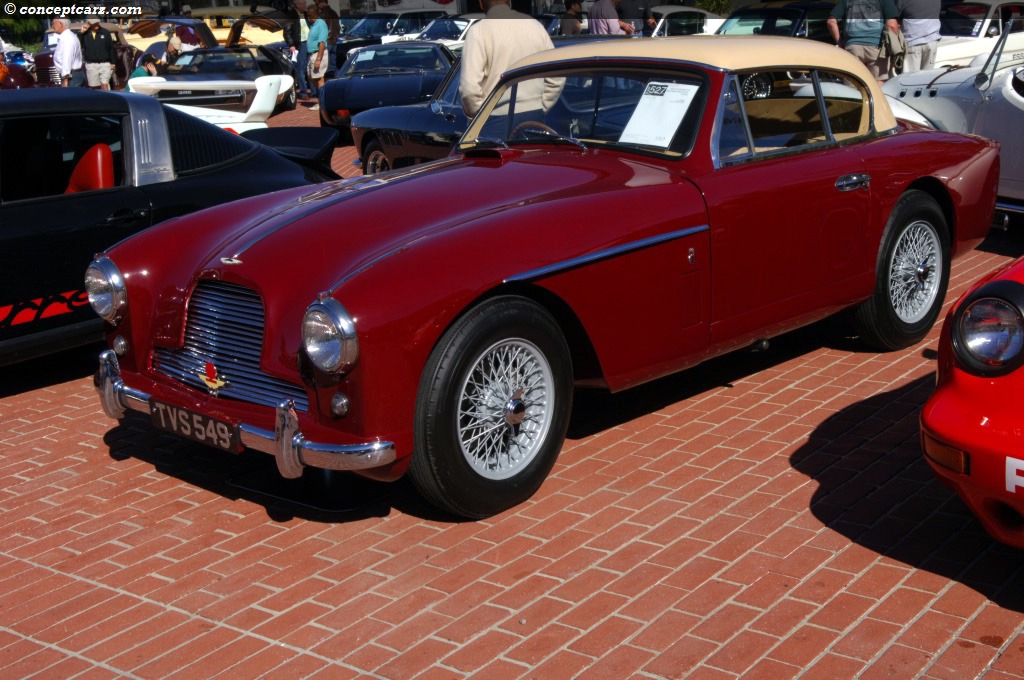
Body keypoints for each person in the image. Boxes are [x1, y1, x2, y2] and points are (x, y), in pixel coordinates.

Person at [459, 0, 556, 118]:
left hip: (496, 118)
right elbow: (556, 74)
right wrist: (543, 106)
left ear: (480, 3)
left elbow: (469, 90)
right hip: (535, 114)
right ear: (509, 1)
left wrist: (480, 116)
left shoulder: (478, 31)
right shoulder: (534, 25)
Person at [827, 0, 901, 82]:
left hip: (852, 47)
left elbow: (831, 22)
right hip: (876, 48)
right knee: (878, 81)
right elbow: (892, 25)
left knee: (853, 81)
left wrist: (839, 42)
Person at [897, 0, 941, 72]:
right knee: (927, 78)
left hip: (913, 42)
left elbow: (894, 17)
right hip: (932, 41)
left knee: (910, 79)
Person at [81, 18, 117, 90]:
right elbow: (79, 44)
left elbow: (110, 48)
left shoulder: (105, 32)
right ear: (89, 24)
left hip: (104, 63)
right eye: (93, 23)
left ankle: (106, 99)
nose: (96, 25)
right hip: (91, 64)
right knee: (94, 87)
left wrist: (113, 62)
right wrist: (81, 32)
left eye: (97, 23)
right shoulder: (85, 34)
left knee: (105, 84)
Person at [306, 4, 329, 109]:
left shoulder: (321, 24)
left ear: (315, 14)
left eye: (310, 15)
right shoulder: (314, 24)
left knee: (319, 79)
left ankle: (322, 102)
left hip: (318, 54)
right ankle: (323, 99)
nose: (309, 18)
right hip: (312, 55)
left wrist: (318, 59)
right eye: (308, 15)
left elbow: (322, 43)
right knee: (311, 77)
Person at [52, 17, 84, 88]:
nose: (52, 26)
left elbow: (67, 59)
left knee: (72, 98)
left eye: (54, 23)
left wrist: (65, 79)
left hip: (72, 77)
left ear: (61, 24)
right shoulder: (68, 37)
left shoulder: (67, 39)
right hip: (72, 75)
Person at [315, 0, 340, 78]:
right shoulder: (334, 13)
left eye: (317, 3)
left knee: (325, 66)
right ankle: (336, 81)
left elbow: (321, 29)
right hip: (334, 41)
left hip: (326, 42)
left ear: (322, 3)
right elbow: (338, 28)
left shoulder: (322, 14)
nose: (317, 5)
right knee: (333, 65)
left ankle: (328, 83)